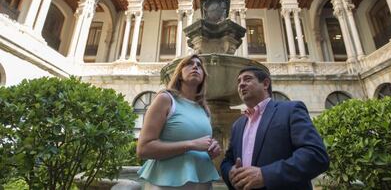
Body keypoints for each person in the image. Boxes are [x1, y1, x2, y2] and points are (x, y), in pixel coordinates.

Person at [221, 66, 329, 190]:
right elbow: (227, 160)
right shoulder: (238, 125)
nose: (241, 84)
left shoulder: (291, 110)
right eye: (239, 81)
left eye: (247, 79)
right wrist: (230, 172)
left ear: (266, 84)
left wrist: (266, 175)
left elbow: (316, 155)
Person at [137, 54, 221, 190]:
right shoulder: (165, 99)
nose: (195, 66)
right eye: (189, 64)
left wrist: (212, 149)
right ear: (180, 74)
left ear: (203, 77)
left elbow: (201, 147)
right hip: (166, 183)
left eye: (199, 65)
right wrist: (192, 144)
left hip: (202, 183)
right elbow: (143, 149)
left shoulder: (204, 109)